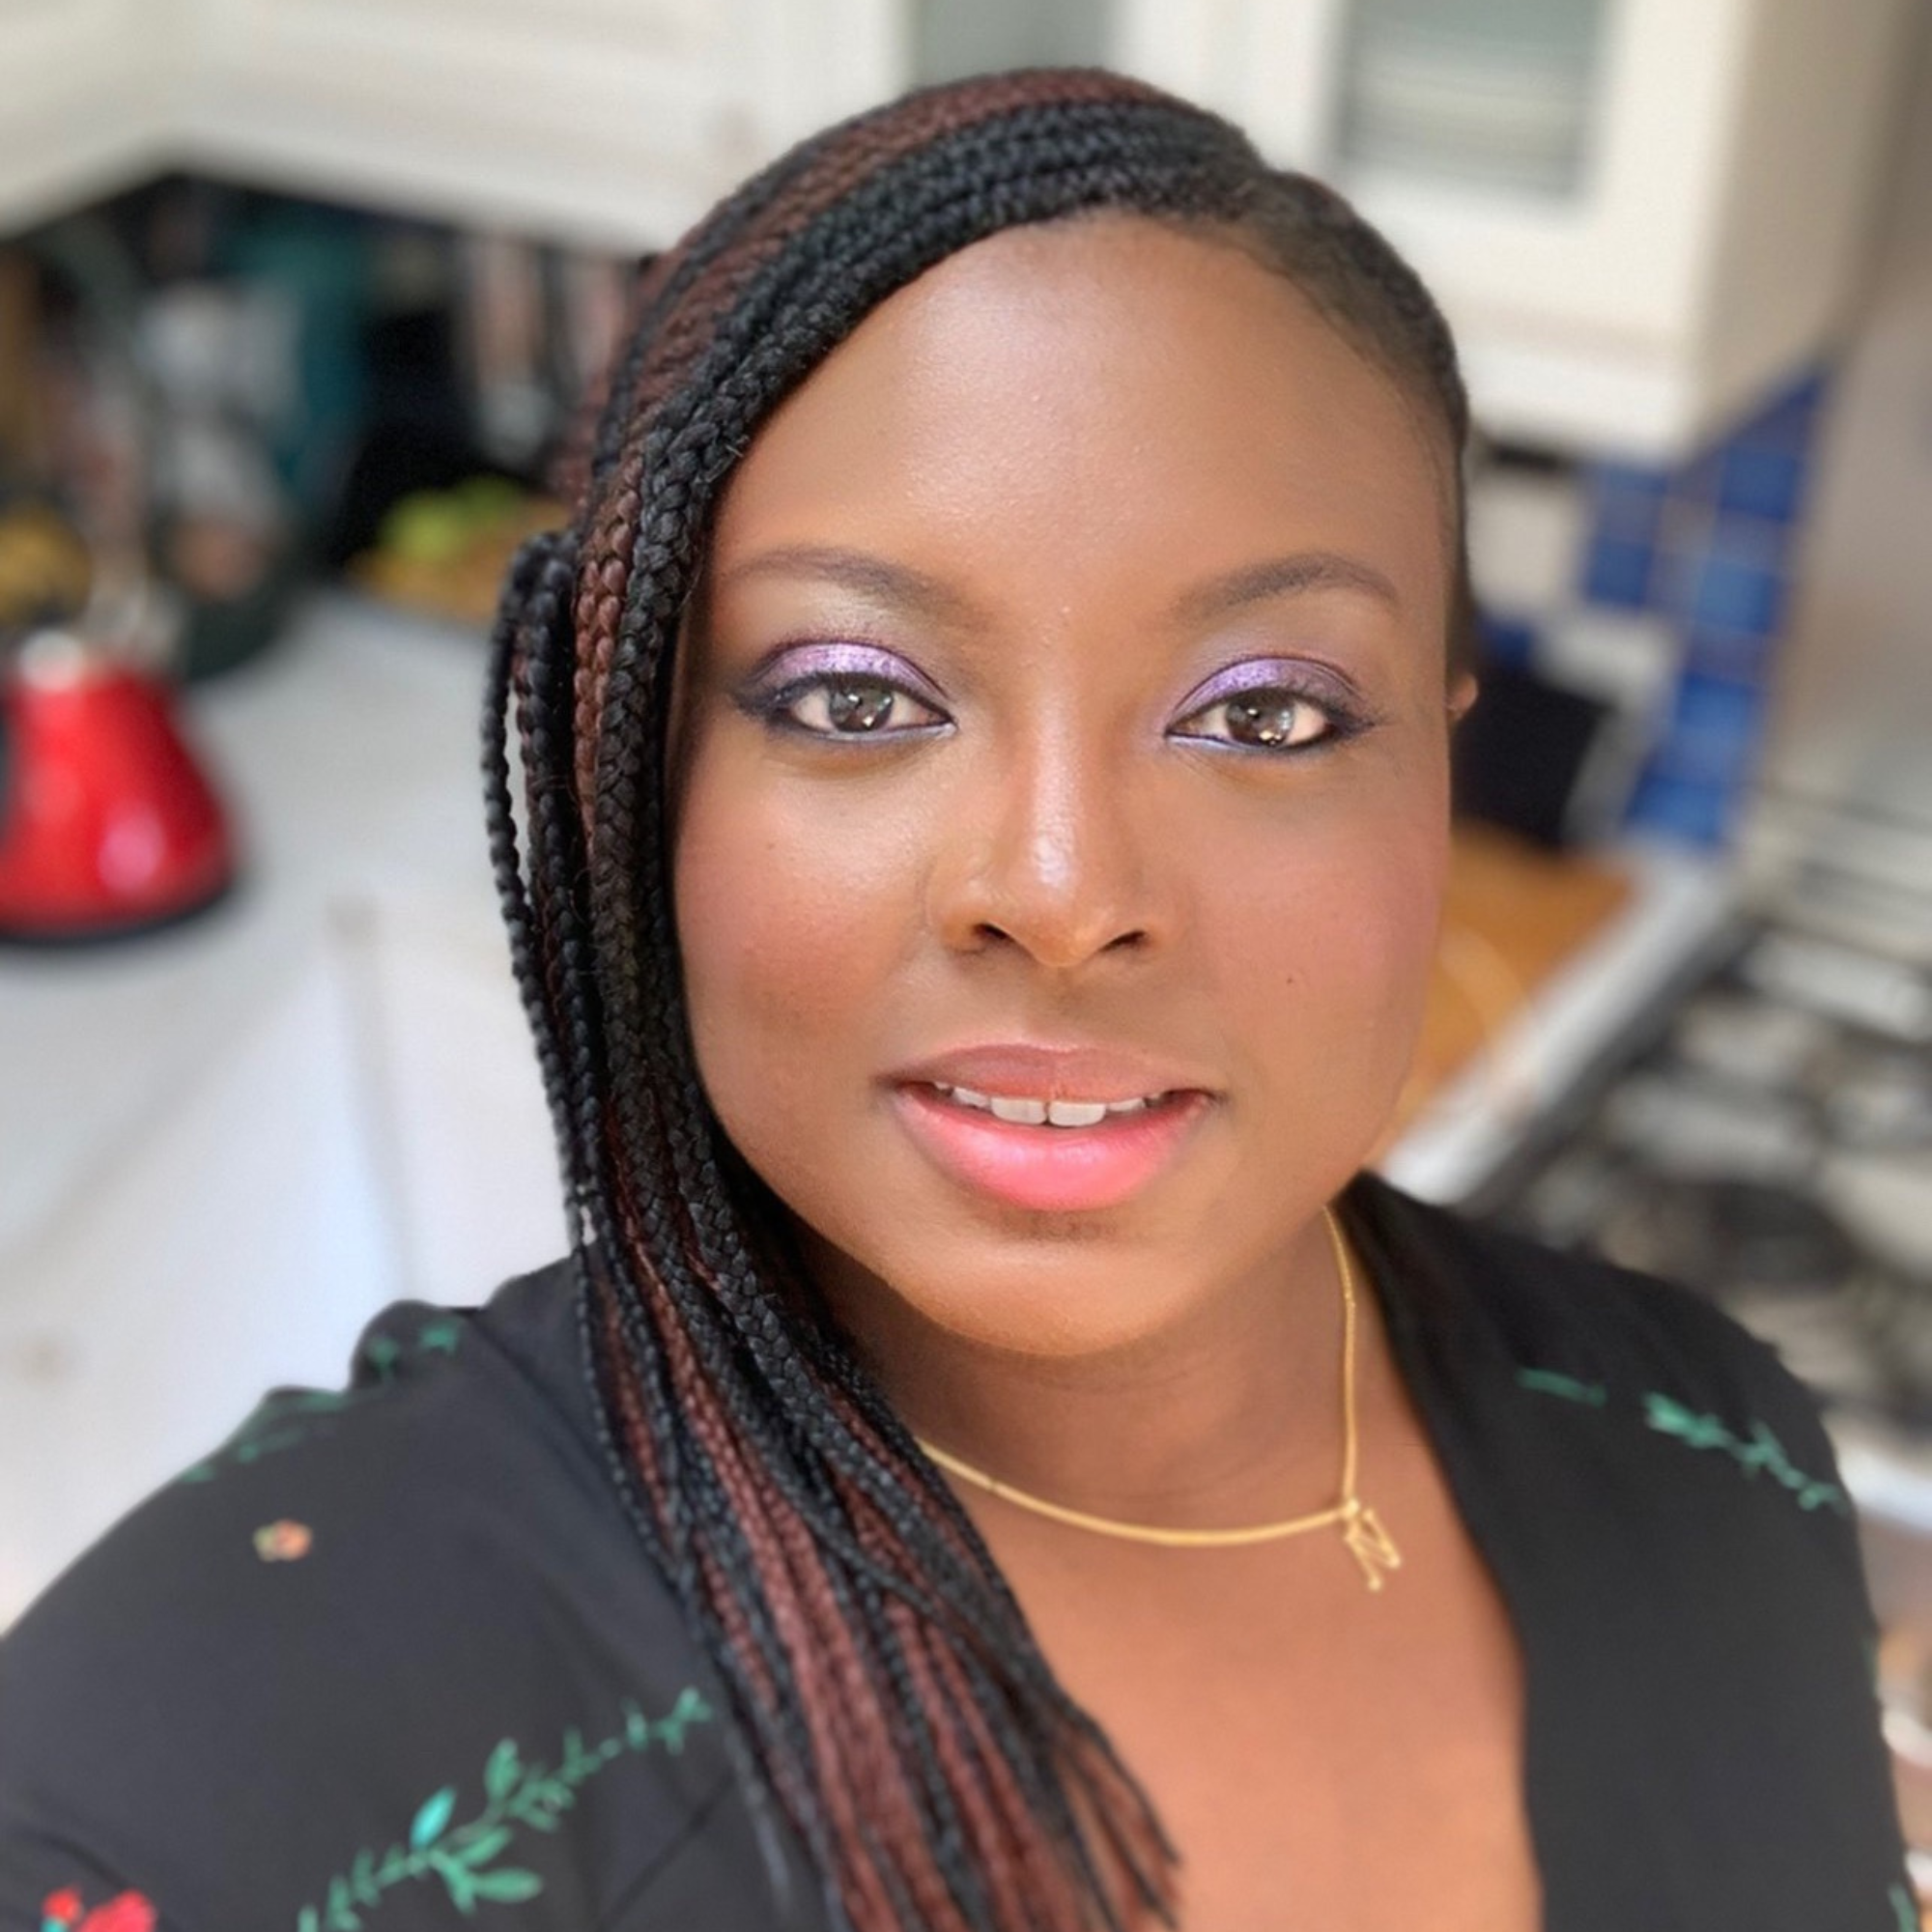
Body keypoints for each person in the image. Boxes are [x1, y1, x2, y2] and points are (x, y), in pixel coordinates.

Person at [0, 67, 1913, 1932]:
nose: (1063, 896)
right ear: (638, 780)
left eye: (1263, 712)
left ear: (1432, 766)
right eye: (854, 695)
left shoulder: (1707, 1444)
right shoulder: (277, 1722)